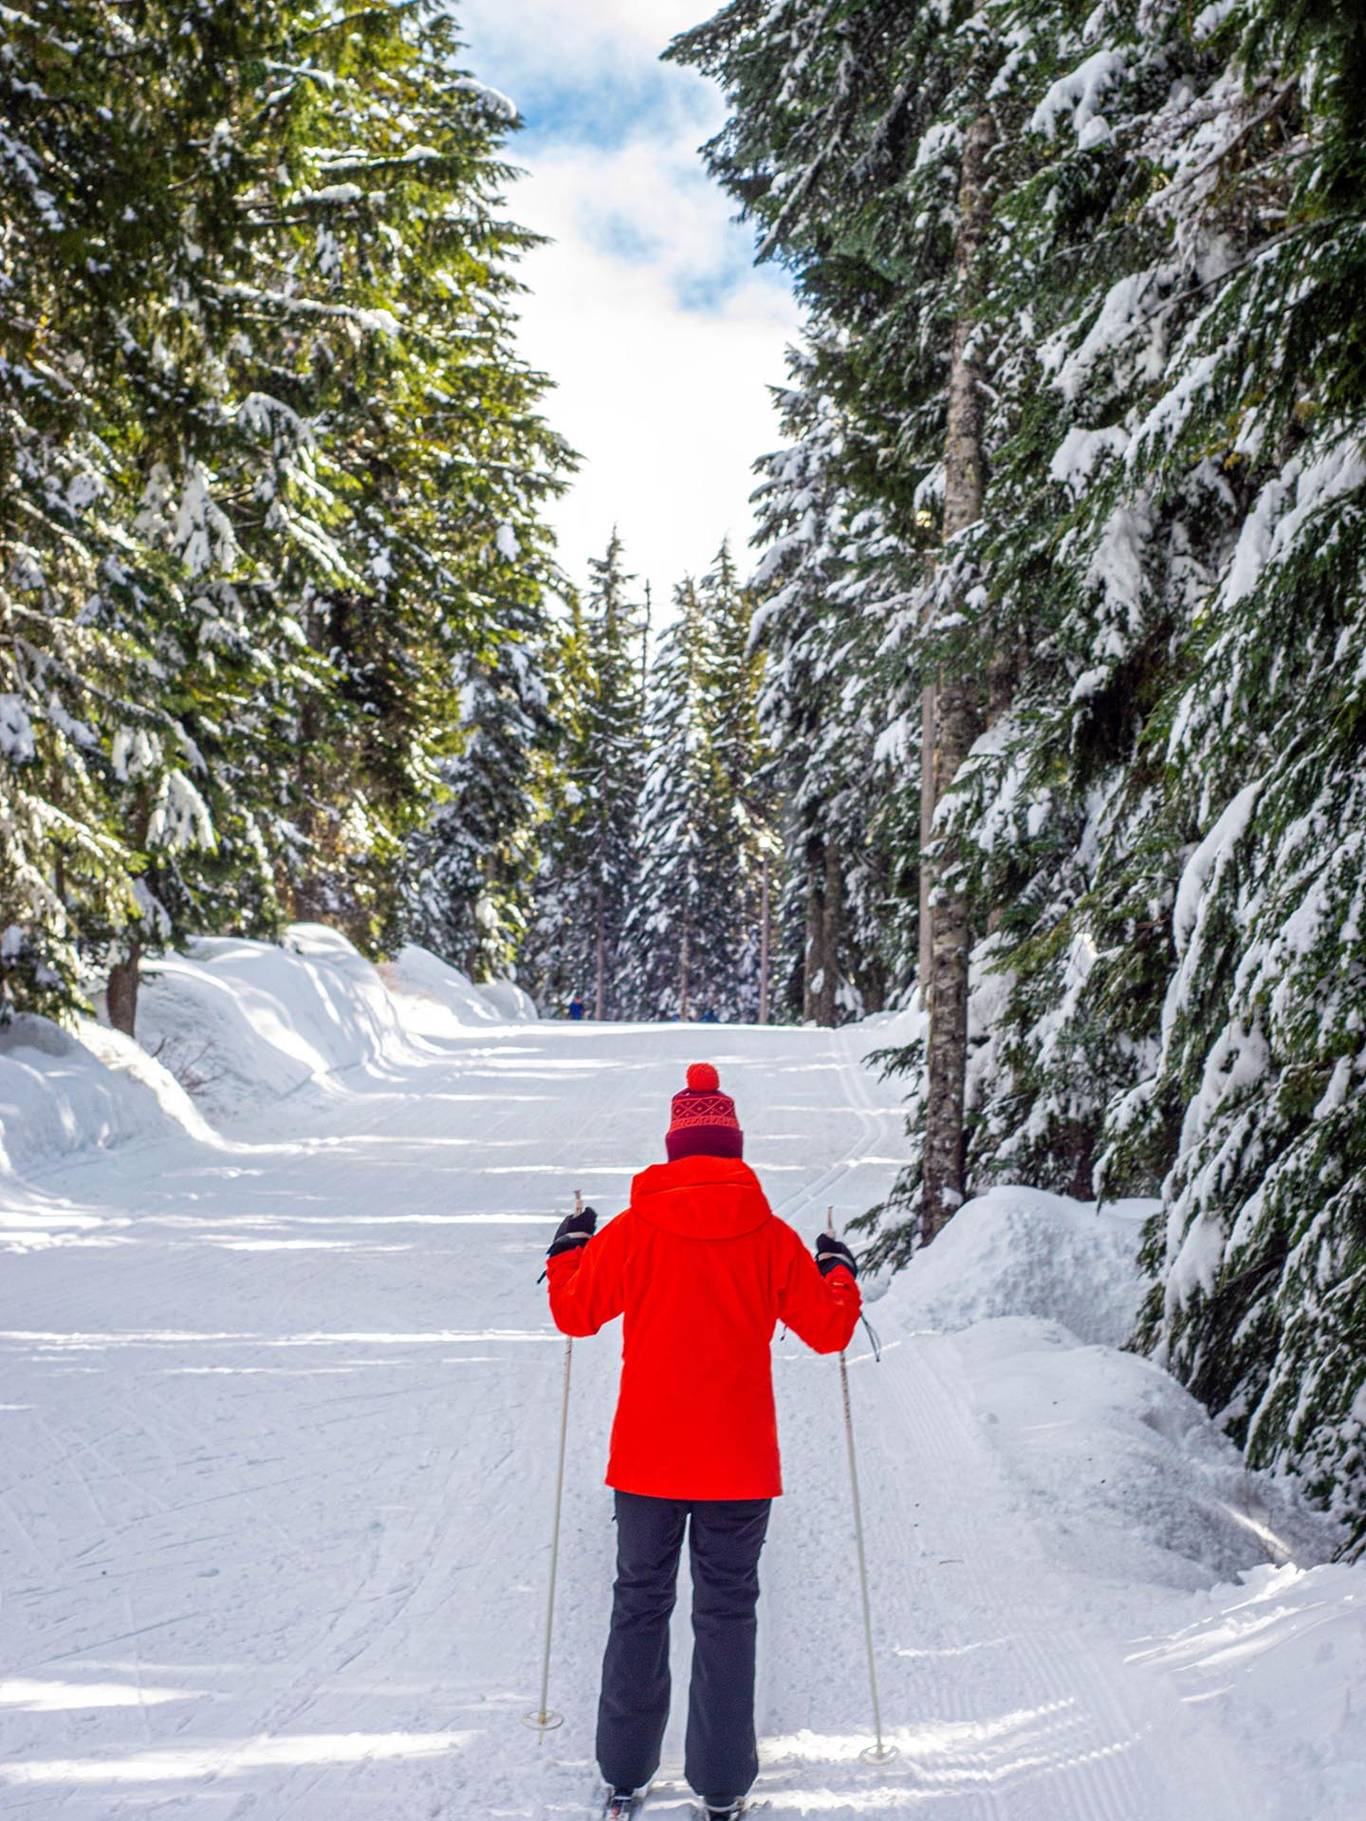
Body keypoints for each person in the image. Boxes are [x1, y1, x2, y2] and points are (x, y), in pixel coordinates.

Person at [543, 1062, 861, 1821]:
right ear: (734, 1149)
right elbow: (829, 1330)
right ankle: (721, 1786)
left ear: (676, 1150)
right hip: (739, 1466)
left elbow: (575, 1313)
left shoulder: (634, 1230)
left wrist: (567, 1250)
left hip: (646, 1461)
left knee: (639, 1603)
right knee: (726, 1613)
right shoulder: (770, 1235)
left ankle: (624, 1771)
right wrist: (838, 1270)